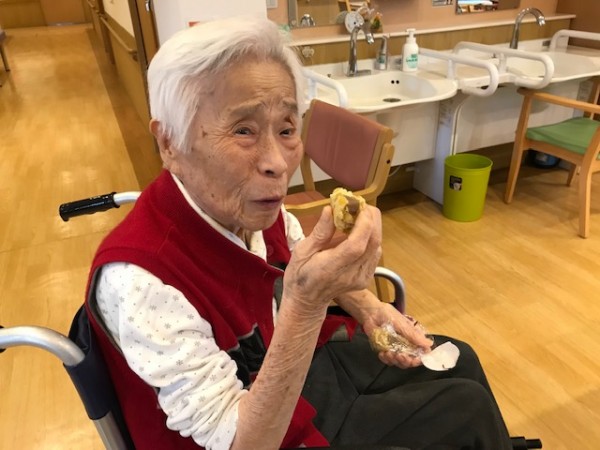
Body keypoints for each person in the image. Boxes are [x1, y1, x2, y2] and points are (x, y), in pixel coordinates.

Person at [85, 15, 514, 450]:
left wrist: (370, 308)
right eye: (244, 130)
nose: (277, 163)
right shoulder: (140, 281)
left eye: (287, 129)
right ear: (169, 143)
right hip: (249, 427)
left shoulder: (254, 209)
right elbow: (242, 442)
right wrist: (307, 305)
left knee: (462, 361)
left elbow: (294, 253)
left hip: (292, 370)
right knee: (467, 412)